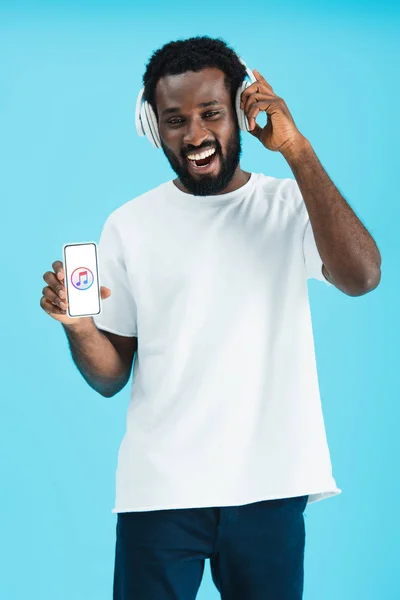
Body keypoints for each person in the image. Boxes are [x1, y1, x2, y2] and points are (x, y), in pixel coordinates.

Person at [40, 36, 381, 600]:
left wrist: (296, 149)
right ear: (153, 127)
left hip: (271, 485)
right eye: (174, 119)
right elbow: (110, 376)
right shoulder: (129, 225)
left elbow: (362, 276)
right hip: (160, 493)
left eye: (211, 113)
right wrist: (78, 327)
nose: (195, 135)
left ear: (242, 112)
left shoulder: (290, 205)